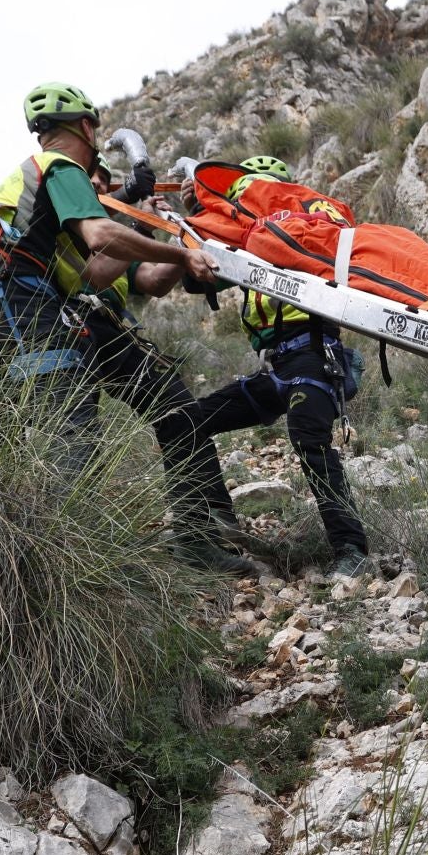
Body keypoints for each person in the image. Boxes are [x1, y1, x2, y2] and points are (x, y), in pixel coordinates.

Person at [0, 83, 252, 575]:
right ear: (86, 128)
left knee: (1, 425)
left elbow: (98, 270)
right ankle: (75, 566)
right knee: (69, 422)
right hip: (12, 296)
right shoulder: (61, 170)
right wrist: (181, 251)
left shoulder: (41, 218)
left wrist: (163, 234)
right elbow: (102, 233)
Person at [169, 154, 373, 580]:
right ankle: (214, 523)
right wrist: (198, 216)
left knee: (308, 438)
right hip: (275, 366)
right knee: (186, 421)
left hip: (315, 359)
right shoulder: (247, 244)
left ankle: (351, 548)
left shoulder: (311, 240)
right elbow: (196, 278)